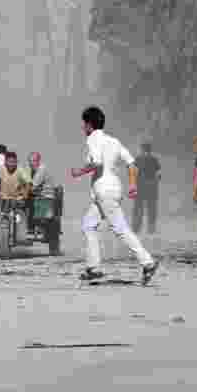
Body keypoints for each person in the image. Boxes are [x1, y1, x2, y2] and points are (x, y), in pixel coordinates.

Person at [71, 107, 159, 285]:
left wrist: (79, 172)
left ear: (89, 124)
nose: (82, 128)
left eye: (83, 124)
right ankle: (93, 268)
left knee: (120, 229)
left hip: (104, 191)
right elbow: (132, 164)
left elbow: (96, 161)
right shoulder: (113, 141)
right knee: (88, 225)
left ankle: (147, 262)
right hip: (110, 190)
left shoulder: (93, 139)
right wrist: (133, 185)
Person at [133, 142, 161, 234]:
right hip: (152, 187)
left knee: (138, 208)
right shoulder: (154, 159)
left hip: (140, 186)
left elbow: (134, 173)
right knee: (152, 208)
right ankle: (151, 229)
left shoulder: (138, 159)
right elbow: (159, 175)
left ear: (142, 149)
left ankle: (136, 228)